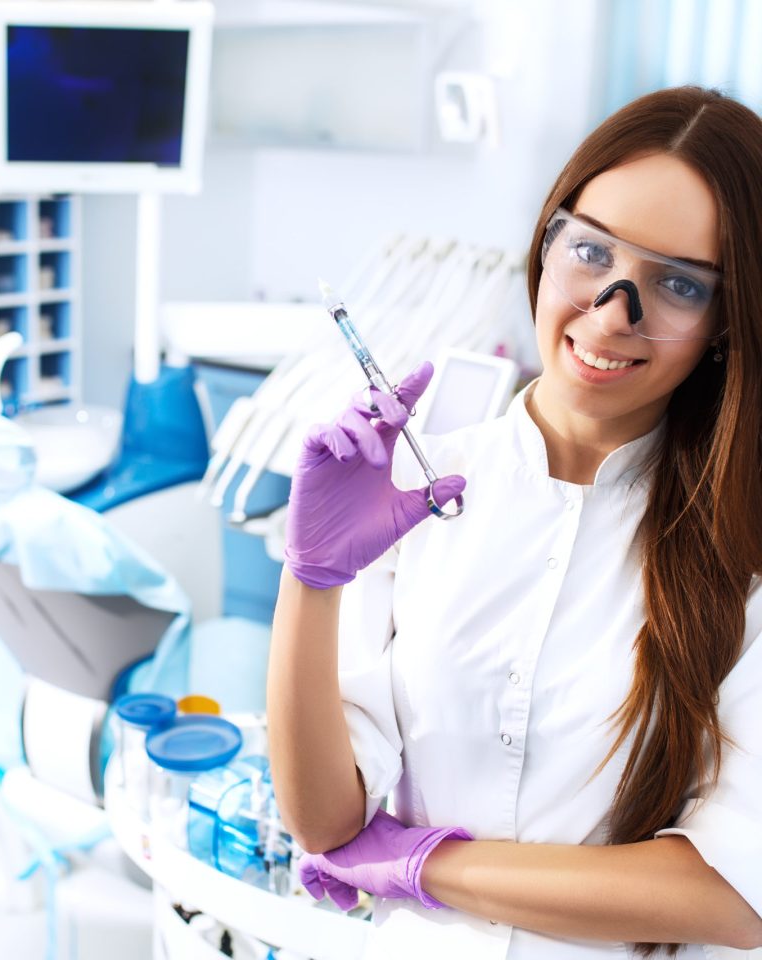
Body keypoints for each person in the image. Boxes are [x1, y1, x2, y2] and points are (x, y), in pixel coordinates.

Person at [267, 85, 762, 959]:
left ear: (728, 323)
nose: (611, 312)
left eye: (677, 284)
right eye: (590, 252)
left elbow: (733, 894)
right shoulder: (417, 488)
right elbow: (325, 816)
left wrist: (420, 864)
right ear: (545, 244)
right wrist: (311, 580)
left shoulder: (745, 550)